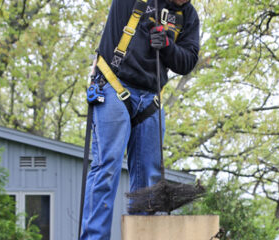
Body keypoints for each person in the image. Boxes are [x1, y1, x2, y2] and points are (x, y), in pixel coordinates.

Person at [80, 0, 199, 239]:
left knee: (149, 178)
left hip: (151, 97)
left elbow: (187, 61)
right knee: (107, 166)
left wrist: (168, 46)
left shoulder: (188, 15)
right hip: (115, 85)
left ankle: (143, 235)